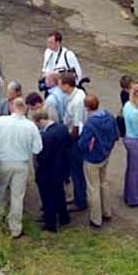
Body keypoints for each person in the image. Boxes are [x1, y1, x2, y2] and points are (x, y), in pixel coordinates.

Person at [0, 98, 41, 237]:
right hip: (21, 164)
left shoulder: (1, 121)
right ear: (25, 109)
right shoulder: (30, 126)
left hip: (3, 162)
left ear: (12, 107)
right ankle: (15, 228)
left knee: (0, 193)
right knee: (17, 196)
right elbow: (37, 149)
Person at [49, 70, 88, 213]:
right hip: (74, 135)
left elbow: (77, 126)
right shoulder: (78, 94)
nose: (59, 88)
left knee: (76, 171)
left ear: (66, 85)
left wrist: (67, 141)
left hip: (75, 140)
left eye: (60, 85)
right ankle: (79, 196)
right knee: (76, 171)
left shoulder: (77, 102)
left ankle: (81, 201)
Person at [78, 94, 119, 228]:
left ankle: (96, 219)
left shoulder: (90, 123)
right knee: (103, 183)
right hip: (105, 155)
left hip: (92, 159)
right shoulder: (109, 117)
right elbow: (116, 135)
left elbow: (83, 143)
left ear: (86, 107)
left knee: (93, 188)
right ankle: (107, 211)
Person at [34, 104, 74, 233]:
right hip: (62, 168)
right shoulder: (62, 128)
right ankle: (64, 217)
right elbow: (68, 144)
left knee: (47, 197)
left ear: (40, 121)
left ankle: (50, 223)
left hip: (48, 171)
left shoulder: (46, 137)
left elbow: (44, 156)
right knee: (59, 193)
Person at [118, 78, 138, 206]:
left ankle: (129, 194)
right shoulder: (136, 113)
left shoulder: (127, 106)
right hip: (136, 141)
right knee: (136, 171)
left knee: (131, 170)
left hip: (129, 138)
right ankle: (134, 198)